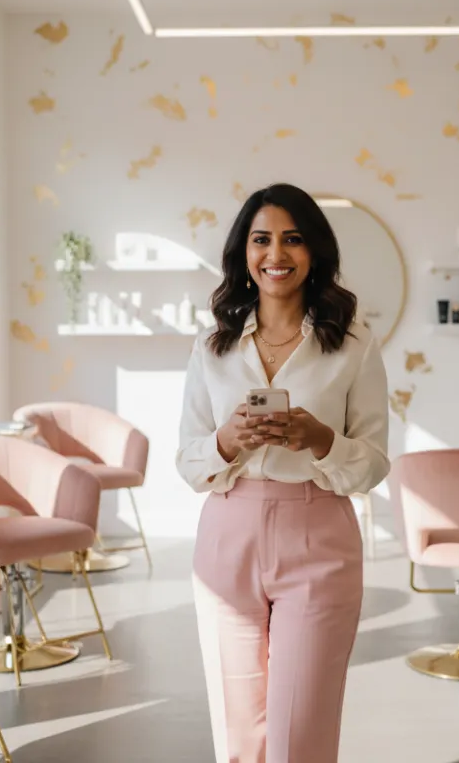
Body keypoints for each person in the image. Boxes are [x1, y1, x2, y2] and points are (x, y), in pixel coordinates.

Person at [176, 183, 390, 763]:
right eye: (262, 239)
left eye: (293, 239)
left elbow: (372, 464)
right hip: (227, 536)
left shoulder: (352, 345)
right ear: (243, 253)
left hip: (318, 534)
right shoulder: (213, 346)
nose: (277, 254)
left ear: (314, 251)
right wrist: (226, 441)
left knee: (303, 729)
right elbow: (188, 461)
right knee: (238, 731)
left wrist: (320, 439)